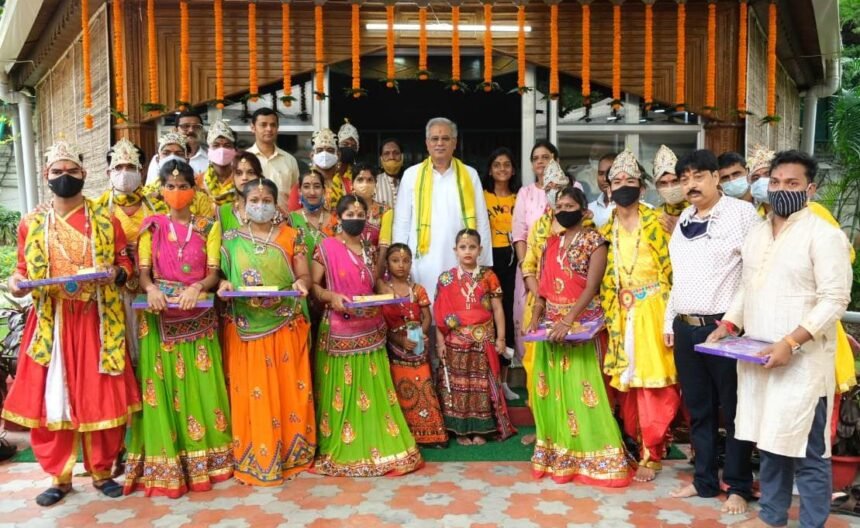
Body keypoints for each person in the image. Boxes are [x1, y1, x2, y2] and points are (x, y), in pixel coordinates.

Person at [707, 150, 852, 528]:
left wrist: (791, 342)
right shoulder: (757, 233)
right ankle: (772, 516)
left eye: (792, 183)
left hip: (803, 363)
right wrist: (729, 325)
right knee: (769, 439)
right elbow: (747, 286)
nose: (781, 189)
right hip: (758, 355)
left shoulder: (824, 235)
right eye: (775, 182)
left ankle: (811, 523)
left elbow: (835, 299)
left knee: (807, 450)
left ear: (811, 189)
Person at [3, 140, 140, 506]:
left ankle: (101, 471)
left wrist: (114, 273)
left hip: (97, 318)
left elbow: (127, 267)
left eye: (72, 171)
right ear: (47, 176)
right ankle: (58, 478)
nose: (65, 177)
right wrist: (17, 283)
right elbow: (20, 272)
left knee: (102, 395)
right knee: (54, 401)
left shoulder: (106, 221)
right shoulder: (31, 224)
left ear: (84, 174)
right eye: (57, 172)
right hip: (53, 321)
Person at [124, 160, 233, 497]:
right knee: (164, 391)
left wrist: (198, 287)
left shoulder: (207, 226)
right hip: (159, 318)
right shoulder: (151, 227)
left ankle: (208, 463)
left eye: (183, 184)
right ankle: (167, 465)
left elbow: (214, 272)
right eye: (169, 186)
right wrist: (152, 289)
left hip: (198, 315)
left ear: (194, 188)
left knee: (202, 391)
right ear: (160, 190)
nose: (176, 191)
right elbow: (143, 273)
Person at [663, 150, 759, 514]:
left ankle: (737, 485)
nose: (690, 184)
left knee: (734, 409)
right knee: (699, 409)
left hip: (725, 327)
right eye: (684, 178)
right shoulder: (685, 217)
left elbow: (753, 275)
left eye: (698, 176)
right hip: (686, 327)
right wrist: (669, 320)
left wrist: (730, 323)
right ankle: (704, 480)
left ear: (716, 178)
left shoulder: (741, 214)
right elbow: (678, 277)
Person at [525, 186, 633, 487]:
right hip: (551, 325)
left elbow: (592, 287)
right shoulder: (550, 243)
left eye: (570, 204)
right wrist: (536, 314)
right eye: (558, 204)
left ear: (584, 211)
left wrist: (570, 320)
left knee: (584, 390)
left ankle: (595, 456)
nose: (563, 209)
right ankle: (559, 452)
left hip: (582, 325)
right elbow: (544, 287)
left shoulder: (595, 240)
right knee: (551, 391)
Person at [310, 195, 423, 476]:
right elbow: (313, 285)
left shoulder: (370, 249)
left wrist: (389, 293)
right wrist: (331, 296)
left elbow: (373, 283)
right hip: (339, 329)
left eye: (361, 212)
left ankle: (375, 440)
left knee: (372, 391)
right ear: (338, 216)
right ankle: (346, 445)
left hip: (371, 330)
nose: (356, 216)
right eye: (350, 212)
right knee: (343, 394)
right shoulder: (326, 247)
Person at [217, 177, 316, 486]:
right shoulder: (230, 239)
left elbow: (302, 274)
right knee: (252, 393)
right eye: (254, 201)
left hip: (285, 322)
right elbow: (220, 277)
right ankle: (255, 455)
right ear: (242, 208)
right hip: (246, 327)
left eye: (266, 200)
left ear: (276, 205)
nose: (260, 205)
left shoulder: (291, 235)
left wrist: (302, 284)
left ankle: (293, 455)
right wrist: (223, 284)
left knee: (289, 390)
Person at [600, 149, 680, 483]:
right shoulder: (605, 229)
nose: (623, 186)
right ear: (608, 189)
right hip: (621, 314)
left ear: (642, 188)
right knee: (629, 388)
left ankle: (654, 453)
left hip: (654, 309)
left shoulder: (657, 222)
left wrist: (671, 317)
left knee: (654, 388)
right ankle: (636, 444)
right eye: (616, 181)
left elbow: (675, 272)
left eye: (630, 181)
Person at [393, 117, 493, 302]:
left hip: (462, 260)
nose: (440, 143)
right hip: (422, 262)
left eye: (445, 139)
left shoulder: (469, 175)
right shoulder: (411, 175)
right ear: (427, 143)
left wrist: (484, 263)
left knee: (461, 314)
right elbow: (402, 223)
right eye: (434, 139)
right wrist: (399, 263)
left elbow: (481, 221)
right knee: (425, 313)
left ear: (454, 143)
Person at [434, 229, 516, 446]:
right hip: (455, 340)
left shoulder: (489, 276)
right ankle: (460, 430)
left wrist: (501, 339)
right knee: (459, 385)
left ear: (479, 249)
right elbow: (439, 314)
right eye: (463, 247)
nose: (467, 251)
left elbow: (498, 309)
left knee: (480, 385)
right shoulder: (446, 278)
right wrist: (439, 342)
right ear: (455, 251)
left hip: (483, 339)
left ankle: (481, 430)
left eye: (472, 247)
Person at [379, 243, 448, 446]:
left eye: (406, 261)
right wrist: (400, 340)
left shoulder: (417, 290)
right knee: (399, 389)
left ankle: (430, 433)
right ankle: (403, 435)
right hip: (394, 348)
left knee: (423, 386)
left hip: (417, 348)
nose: (401, 265)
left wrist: (420, 335)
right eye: (395, 260)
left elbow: (427, 316)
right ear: (387, 264)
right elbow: (380, 321)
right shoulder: (383, 290)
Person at [95, 139, 157, 365]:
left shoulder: (156, 207)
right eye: (118, 167)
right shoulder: (98, 209)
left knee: (151, 348)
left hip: (151, 286)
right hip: (116, 288)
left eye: (131, 168)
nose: (124, 172)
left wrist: (146, 250)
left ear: (141, 172)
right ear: (108, 172)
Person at [482, 147, 521, 401]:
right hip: (488, 258)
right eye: (497, 165)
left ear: (513, 169)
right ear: (490, 170)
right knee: (487, 315)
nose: (502, 169)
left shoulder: (520, 198)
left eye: (506, 164)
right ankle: (488, 380)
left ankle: (505, 381)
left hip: (512, 258)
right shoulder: (482, 196)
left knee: (507, 313)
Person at [143, 132, 215, 218]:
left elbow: (208, 227)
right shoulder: (146, 195)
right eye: (166, 153)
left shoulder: (200, 195)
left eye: (179, 154)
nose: (172, 157)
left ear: (187, 160)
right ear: (158, 159)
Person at [247, 107, 300, 210]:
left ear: (277, 128)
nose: (269, 129)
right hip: (251, 220)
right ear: (253, 128)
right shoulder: (244, 159)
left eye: (273, 125)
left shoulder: (289, 160)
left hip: (283, 221)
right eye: (263, 125)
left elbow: (296, 195)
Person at [145, 111, 208, 185]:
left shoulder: (210, 158)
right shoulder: (158, 159)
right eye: (185, 126)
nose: (191, 130)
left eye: (196, 126)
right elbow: (151, 189)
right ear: (175, 130)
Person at [217, 151, 264, 232]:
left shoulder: (271, 211)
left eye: (251, 172)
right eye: (239, 173)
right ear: (233, 178)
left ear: (259, 177)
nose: (244, 178)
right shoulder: (222, 212)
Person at [201, 120, 239, 206]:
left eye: (227, 145)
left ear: (235, 150)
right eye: (216, 145)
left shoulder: (242, 180)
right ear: (208, 151)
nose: (221, 150)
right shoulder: (199, 181)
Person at [653, 145, 687, 234]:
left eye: (675, 181)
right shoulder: (655, 216)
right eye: (663, 183)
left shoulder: (699, 211)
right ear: (657, 188)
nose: (670, 187)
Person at [587, 153, 617, 228]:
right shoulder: (589, 209)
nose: (604, 179)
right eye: (601, 173)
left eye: (609, 173)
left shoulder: (635, 209)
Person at [747, 145, 775, 218]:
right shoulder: (751, 216)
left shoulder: (806, 210)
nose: (762, 180)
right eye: (756, 178)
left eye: (768, 174)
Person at [375, 138, 404, 208]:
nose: (391, 157)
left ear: (402, 157)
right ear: (381, 159)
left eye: (396, 153)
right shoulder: (374, 182)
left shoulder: (411, 181)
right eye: (386, 154)